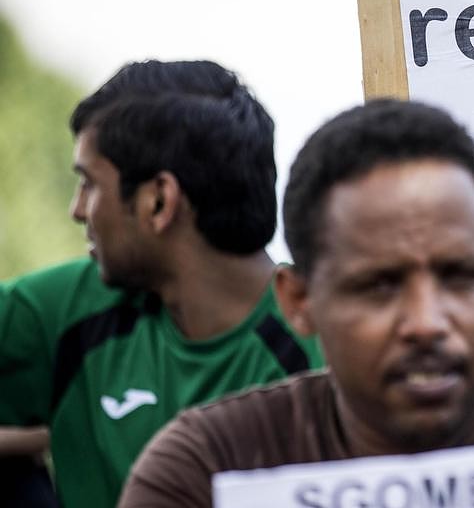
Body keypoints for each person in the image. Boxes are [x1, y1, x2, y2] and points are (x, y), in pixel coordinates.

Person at [118, 100, 474, 507]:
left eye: (460, 277)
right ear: (299, 301)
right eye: (379, 286)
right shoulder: (207, 469)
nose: (426, 323)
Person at [0, 60, 323, 508]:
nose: (77, 210)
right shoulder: (64, 310)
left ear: (158, 201)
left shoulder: (324, 349)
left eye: (89, 185)